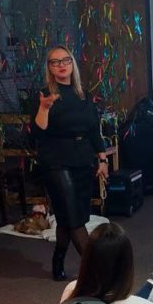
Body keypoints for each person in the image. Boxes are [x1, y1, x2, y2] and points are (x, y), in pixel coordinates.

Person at [33, 45, 109, 281]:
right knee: (74, 218)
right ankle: (96, 274)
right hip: (56, 161)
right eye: (55, 62)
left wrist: (103, 159)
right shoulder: (45, 95)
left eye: (65, 60)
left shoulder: (83, 94)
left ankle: (58, 260)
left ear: (72, 63)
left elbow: (93, 130)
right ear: (49, 67)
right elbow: (37, 132)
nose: (61, 65)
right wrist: (44, 108)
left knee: (69, 217)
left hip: (82, 159)